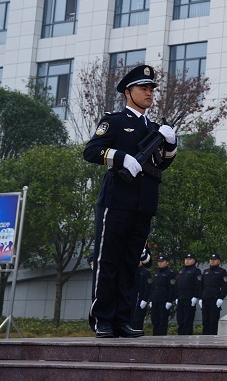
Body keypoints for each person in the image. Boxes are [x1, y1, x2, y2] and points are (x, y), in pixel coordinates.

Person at [84, 64, 178, 338]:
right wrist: (120, 157)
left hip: (144, 203)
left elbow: (161, 165)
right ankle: (102, 319)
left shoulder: (155, 128)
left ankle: (122, 319)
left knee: (130, 264)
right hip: (116, 200)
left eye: (151, 89)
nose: (149, 93)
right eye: (143, 88)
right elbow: (91, 151)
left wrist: (170, 145)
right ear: (128, 92)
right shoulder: (113, 121)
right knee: (108, 260)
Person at [200, 252, 227, 335]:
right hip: (205, 298)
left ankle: (212, 340)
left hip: (214, 299)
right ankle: (204, 340)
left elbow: (224, 286)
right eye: (211, 260)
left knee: (213, 321)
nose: (212, 261)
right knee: (205, 321)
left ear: (218, 261)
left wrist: (221, 298)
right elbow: (201, 286)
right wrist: (200, 298)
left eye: (214, 260)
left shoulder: (222, 272)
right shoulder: (205, 272)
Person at [175, 252, 202, 335]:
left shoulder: (196, 271)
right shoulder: (181, 271)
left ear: (194, 260)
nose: (187, 261)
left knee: (188, 319)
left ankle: (187, 337)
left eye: (190, 259)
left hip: (189, 297)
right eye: (186, 259)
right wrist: (176, 296)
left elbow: (198, 284)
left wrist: (195, 296)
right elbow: (177, 284)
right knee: (180, 319)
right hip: (181, 297)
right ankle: (180, 337)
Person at [149, 255, 176, 336]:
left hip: (163, 299)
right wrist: (151, 299)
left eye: (162, 261)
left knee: (162, 320)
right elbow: (152, 287)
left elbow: (171, 288)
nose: (160, 263)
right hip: (155, 299)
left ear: (167, 263)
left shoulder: (170, 273)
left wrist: (169, 300)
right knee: (154, 319)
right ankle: (155, 335)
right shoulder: (156, 273)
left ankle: (162, 336)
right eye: (159, 262)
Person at [129, 247, 153, 331]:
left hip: (141, 299)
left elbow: (147, 287)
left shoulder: (145, 272)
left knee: (138, 319)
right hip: (132, 297)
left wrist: (145, 299)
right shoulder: (133, 271)